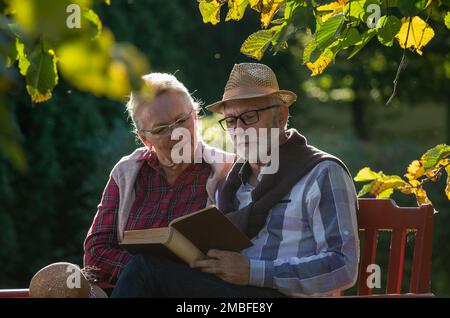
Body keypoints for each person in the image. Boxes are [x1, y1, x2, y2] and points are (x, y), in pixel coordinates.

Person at [111, 63, 359, 298]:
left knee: (146, 269)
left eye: (250, 116)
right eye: (231, 120)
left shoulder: (322, 172)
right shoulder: (232, 181)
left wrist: (253, 271)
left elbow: (343, 266)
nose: (239, 129)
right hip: (232, 294)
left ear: (281, 116)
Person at [84, 73, 234, 290]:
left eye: (182, 120)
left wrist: (154, 272)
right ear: (145, 139)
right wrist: (147, 272)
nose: (176, 134)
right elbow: (96, 254)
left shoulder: (227, 170)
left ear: (196, 116)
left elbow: (232, 257)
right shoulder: (126, 173)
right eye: (161, 129)